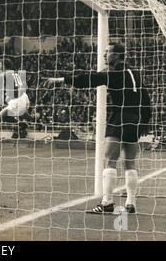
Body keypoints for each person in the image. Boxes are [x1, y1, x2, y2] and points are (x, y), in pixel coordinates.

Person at [44, 43, 152, 213]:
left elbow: (88, 79)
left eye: (107, 52)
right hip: (135, 121)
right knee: (130, 163)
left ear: (117, 56)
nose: (104, 55)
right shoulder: (135, 74)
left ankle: (107, 202)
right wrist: (144, 122)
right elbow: (146, 100)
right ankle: (130, 203)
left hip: (119, 118)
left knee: (110, 160)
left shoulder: (114, 73)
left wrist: (60, 79)